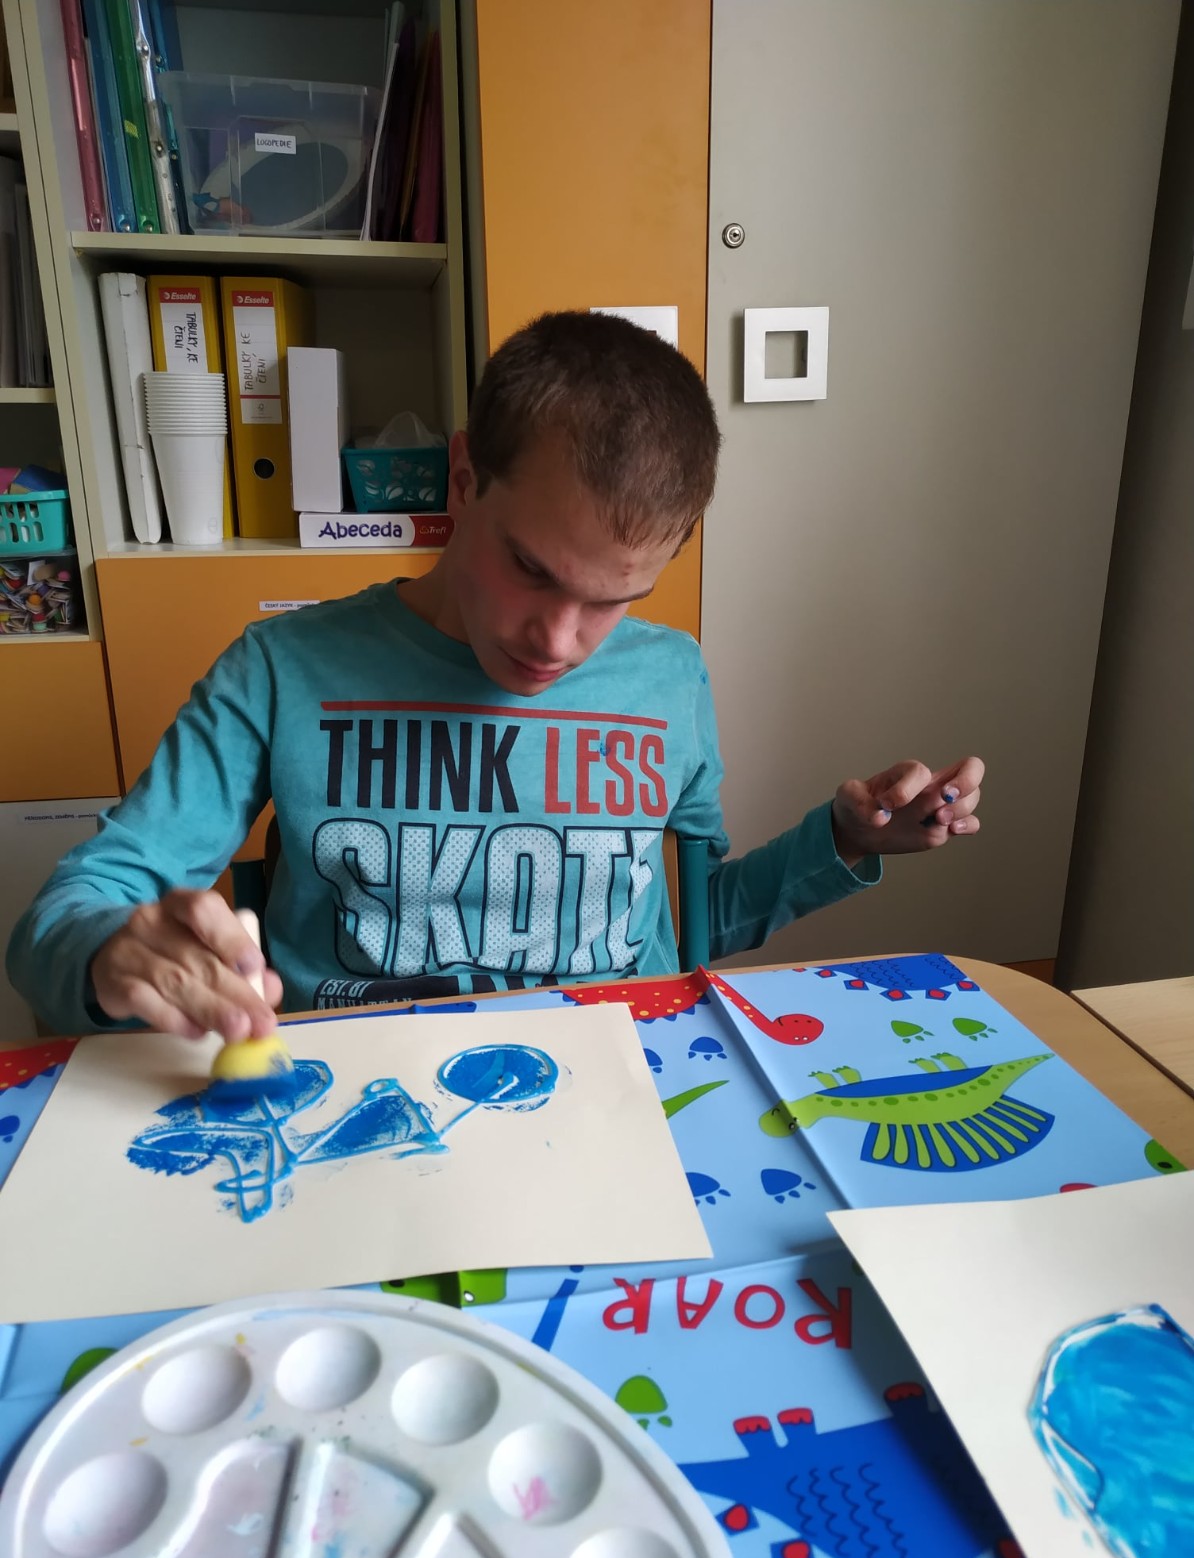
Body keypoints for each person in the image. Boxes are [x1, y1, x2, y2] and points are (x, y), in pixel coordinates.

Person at [6, 312, 982, 1042]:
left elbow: (690, 928)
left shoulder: (673, 678)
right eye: (530, 568)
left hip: (619, 1090)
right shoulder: (281, 669)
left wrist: (843, 842)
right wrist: (110, 954)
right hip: (357, 1096)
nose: (558, 641)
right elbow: (63, 915)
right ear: (464, 479)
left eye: (613, 599)